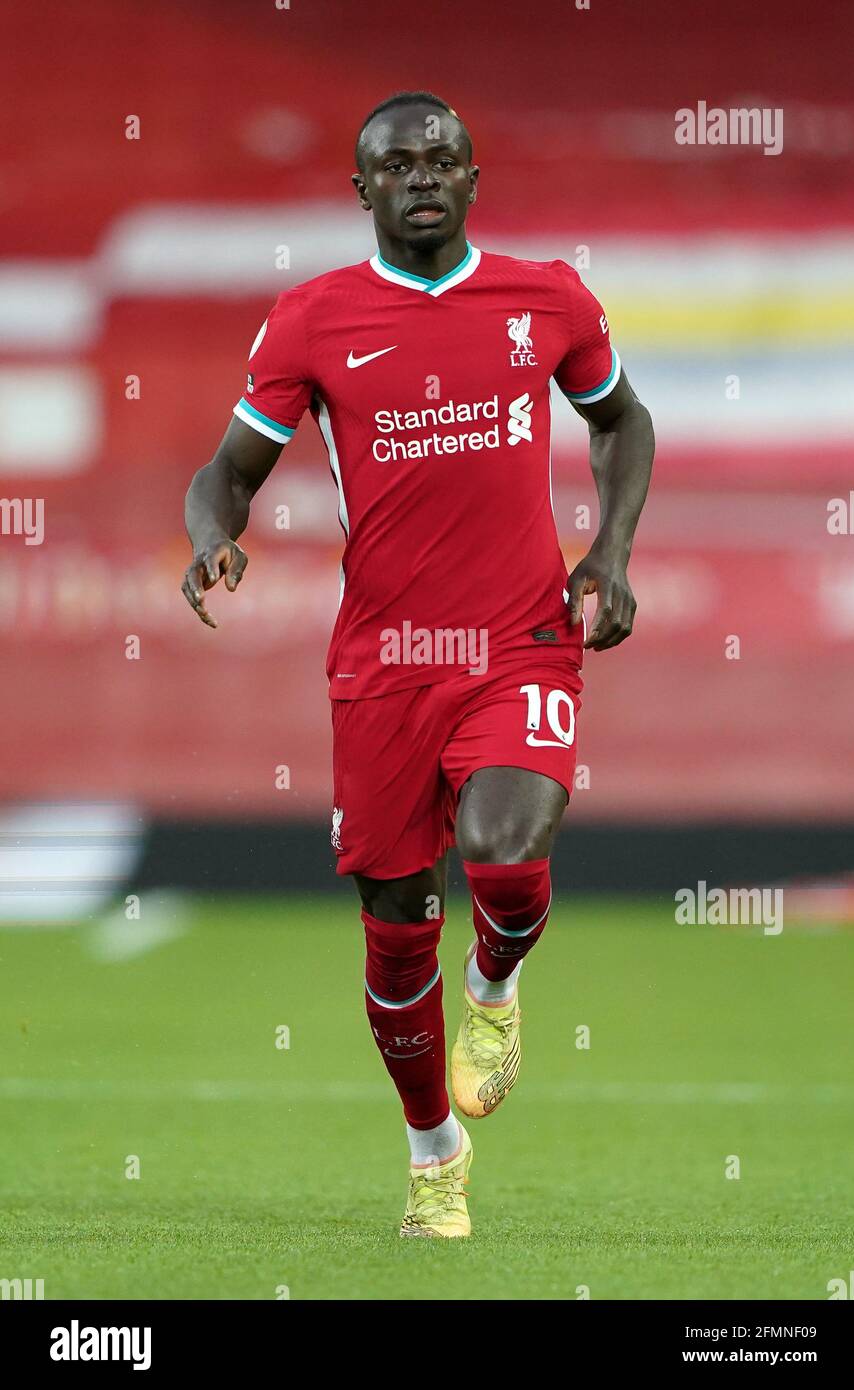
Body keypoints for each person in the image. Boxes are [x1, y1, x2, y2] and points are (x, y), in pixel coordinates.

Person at [183, 90, 654, 1238]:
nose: (425, 175)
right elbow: (227, 470)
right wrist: (212, 536)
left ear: (475, 178)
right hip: (386, 664)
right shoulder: (312, 320)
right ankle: (433, 1150)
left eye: (444, 159)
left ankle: (495, 981)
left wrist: (610, 549)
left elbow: (622, 422)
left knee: (502, 851)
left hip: (519, 642)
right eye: (399, 164)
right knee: (396, 922)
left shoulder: (547, 297)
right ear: (364, 191)